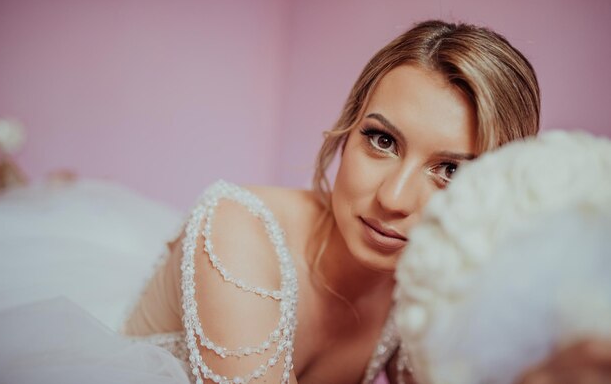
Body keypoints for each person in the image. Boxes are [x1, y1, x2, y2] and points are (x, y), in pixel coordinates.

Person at [123, 20, 541, 383]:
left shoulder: (421, 283)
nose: (393, 198)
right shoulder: (237, 228)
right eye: (382, 140)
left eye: (451, 171)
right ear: (349, 127)